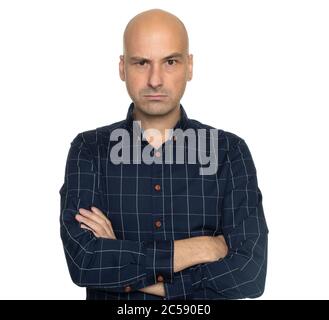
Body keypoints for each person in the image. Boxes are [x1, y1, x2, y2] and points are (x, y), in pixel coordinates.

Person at [59, 8, 268, 300]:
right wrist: (203, 247)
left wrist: (120, 257)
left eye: (170, 61)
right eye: (141, 62)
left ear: (189, 66)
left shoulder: (229, 153)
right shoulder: (89, 150)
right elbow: (84, 261)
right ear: (122, 68)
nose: (155, 80)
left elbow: (249, 275)